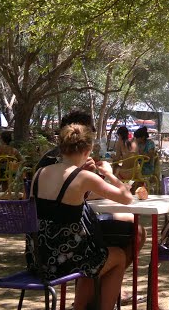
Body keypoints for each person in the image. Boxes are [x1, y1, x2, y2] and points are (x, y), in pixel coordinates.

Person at [29, 123, 133, 310]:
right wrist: (109, 174)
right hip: (67, 262)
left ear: (61, 147)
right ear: (88, 149)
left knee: (97, 258)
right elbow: (126, 198)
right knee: (117, 256)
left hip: (38, 260)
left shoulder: (39, 173)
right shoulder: (84, 177)